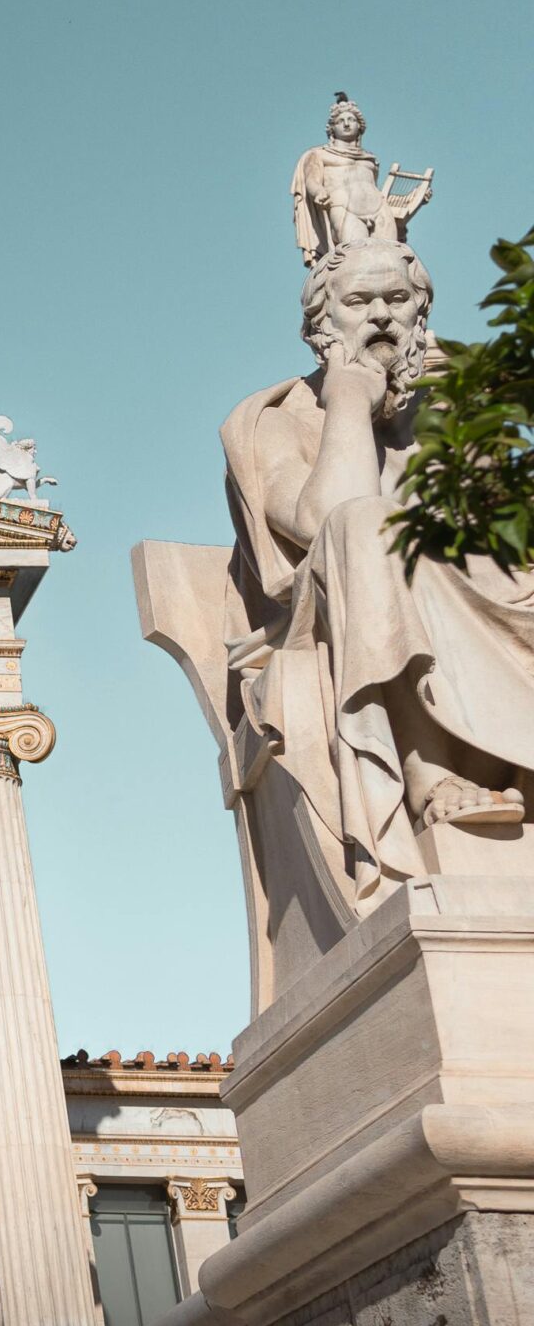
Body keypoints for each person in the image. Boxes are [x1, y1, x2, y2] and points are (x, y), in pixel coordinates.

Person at [224, 236, 533, 906]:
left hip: (480, 584)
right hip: (334, 601)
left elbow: (502, 524)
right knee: (365, 526)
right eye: (359, 300)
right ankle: (429, 772)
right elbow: (323, 518)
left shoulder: (452, 405)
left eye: (398, 299)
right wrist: (350, 402)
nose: (382, 316)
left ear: (421, 312)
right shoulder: (277, 421)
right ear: (320, 324)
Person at [291, 92, 431, 267]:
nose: (347, 123)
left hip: (379, 208)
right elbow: (311, 180)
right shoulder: (319, 155)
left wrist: (414, 198)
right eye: (340, 121)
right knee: (355, 260)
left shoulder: (370, 160)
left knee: (392, 260)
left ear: (360, 126)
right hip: (345, 208)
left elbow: (376, 190)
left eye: (351, 119)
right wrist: (318, 192)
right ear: (331, 128)